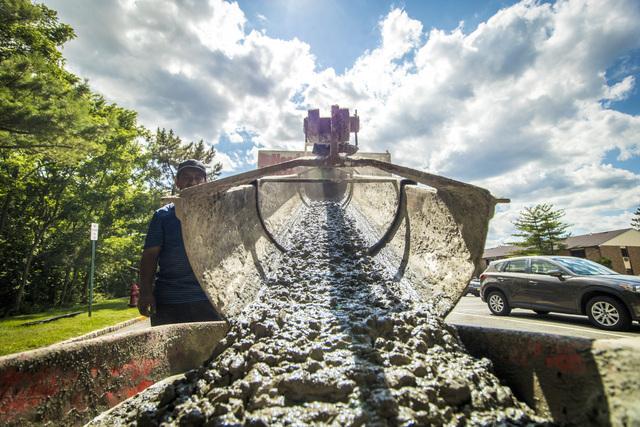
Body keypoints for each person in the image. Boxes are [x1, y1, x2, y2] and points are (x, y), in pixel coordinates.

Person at [138, 159, 222, 325]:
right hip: (170, 301)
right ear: (177, 182)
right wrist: (145, 292)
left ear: (206, 182)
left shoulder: (216, 213)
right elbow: (150, 256)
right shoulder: (162, 216)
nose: (193, 182)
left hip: (209, 298)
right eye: (187, 177)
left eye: (199, 177)